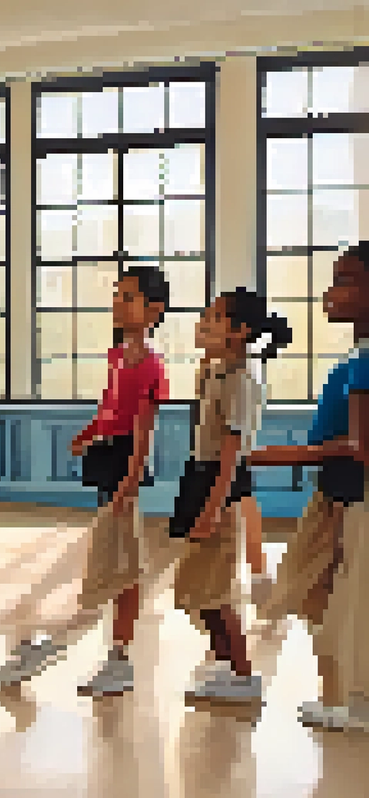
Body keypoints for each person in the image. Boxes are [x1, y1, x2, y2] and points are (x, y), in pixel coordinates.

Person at [0, 266, 170, 697]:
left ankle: (75, 649)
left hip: (124, 465)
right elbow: (111, 406)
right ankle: (114, 657)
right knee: (122, 567)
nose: (116, 302)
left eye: (127, 296)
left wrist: (130, 482)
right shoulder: (116, 357)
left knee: (119, 567)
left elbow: (144, 429)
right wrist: (89, 431)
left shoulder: (151, 364)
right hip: (107, 458)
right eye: (116, 294)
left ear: (153, 310)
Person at [250, 240, 369, 730]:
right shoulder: (355, 357)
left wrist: (287, 454)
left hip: (353, 493)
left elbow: (359, 445)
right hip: (339, 493)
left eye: (346, 282)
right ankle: (343, 695)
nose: (331, 293)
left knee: (349, 597)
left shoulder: (363, 362)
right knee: (319, 592)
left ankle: (356, 703)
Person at [169, 288, 288, 705]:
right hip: (201, 478)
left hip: (219, 485)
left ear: (239, 331)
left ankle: (243, 676)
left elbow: (232, 450)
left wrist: (213, 508)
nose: (203, 323)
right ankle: (223, 665)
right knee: (194, 589)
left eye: (214, 317)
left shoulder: (242, 376)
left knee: (214, 592)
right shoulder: (221, 368)